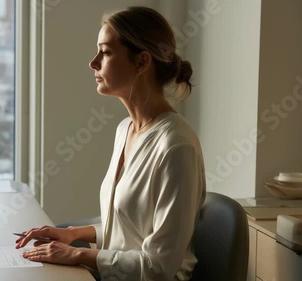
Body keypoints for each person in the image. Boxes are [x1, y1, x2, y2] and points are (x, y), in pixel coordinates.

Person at [16, 6, 206, 281]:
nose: (93, 62)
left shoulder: (176, 146)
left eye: (105, 52)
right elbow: (130, 230)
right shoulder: (125, 130)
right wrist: (71, 234)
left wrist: (78, 254)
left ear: (141, 62)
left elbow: (159, 266)